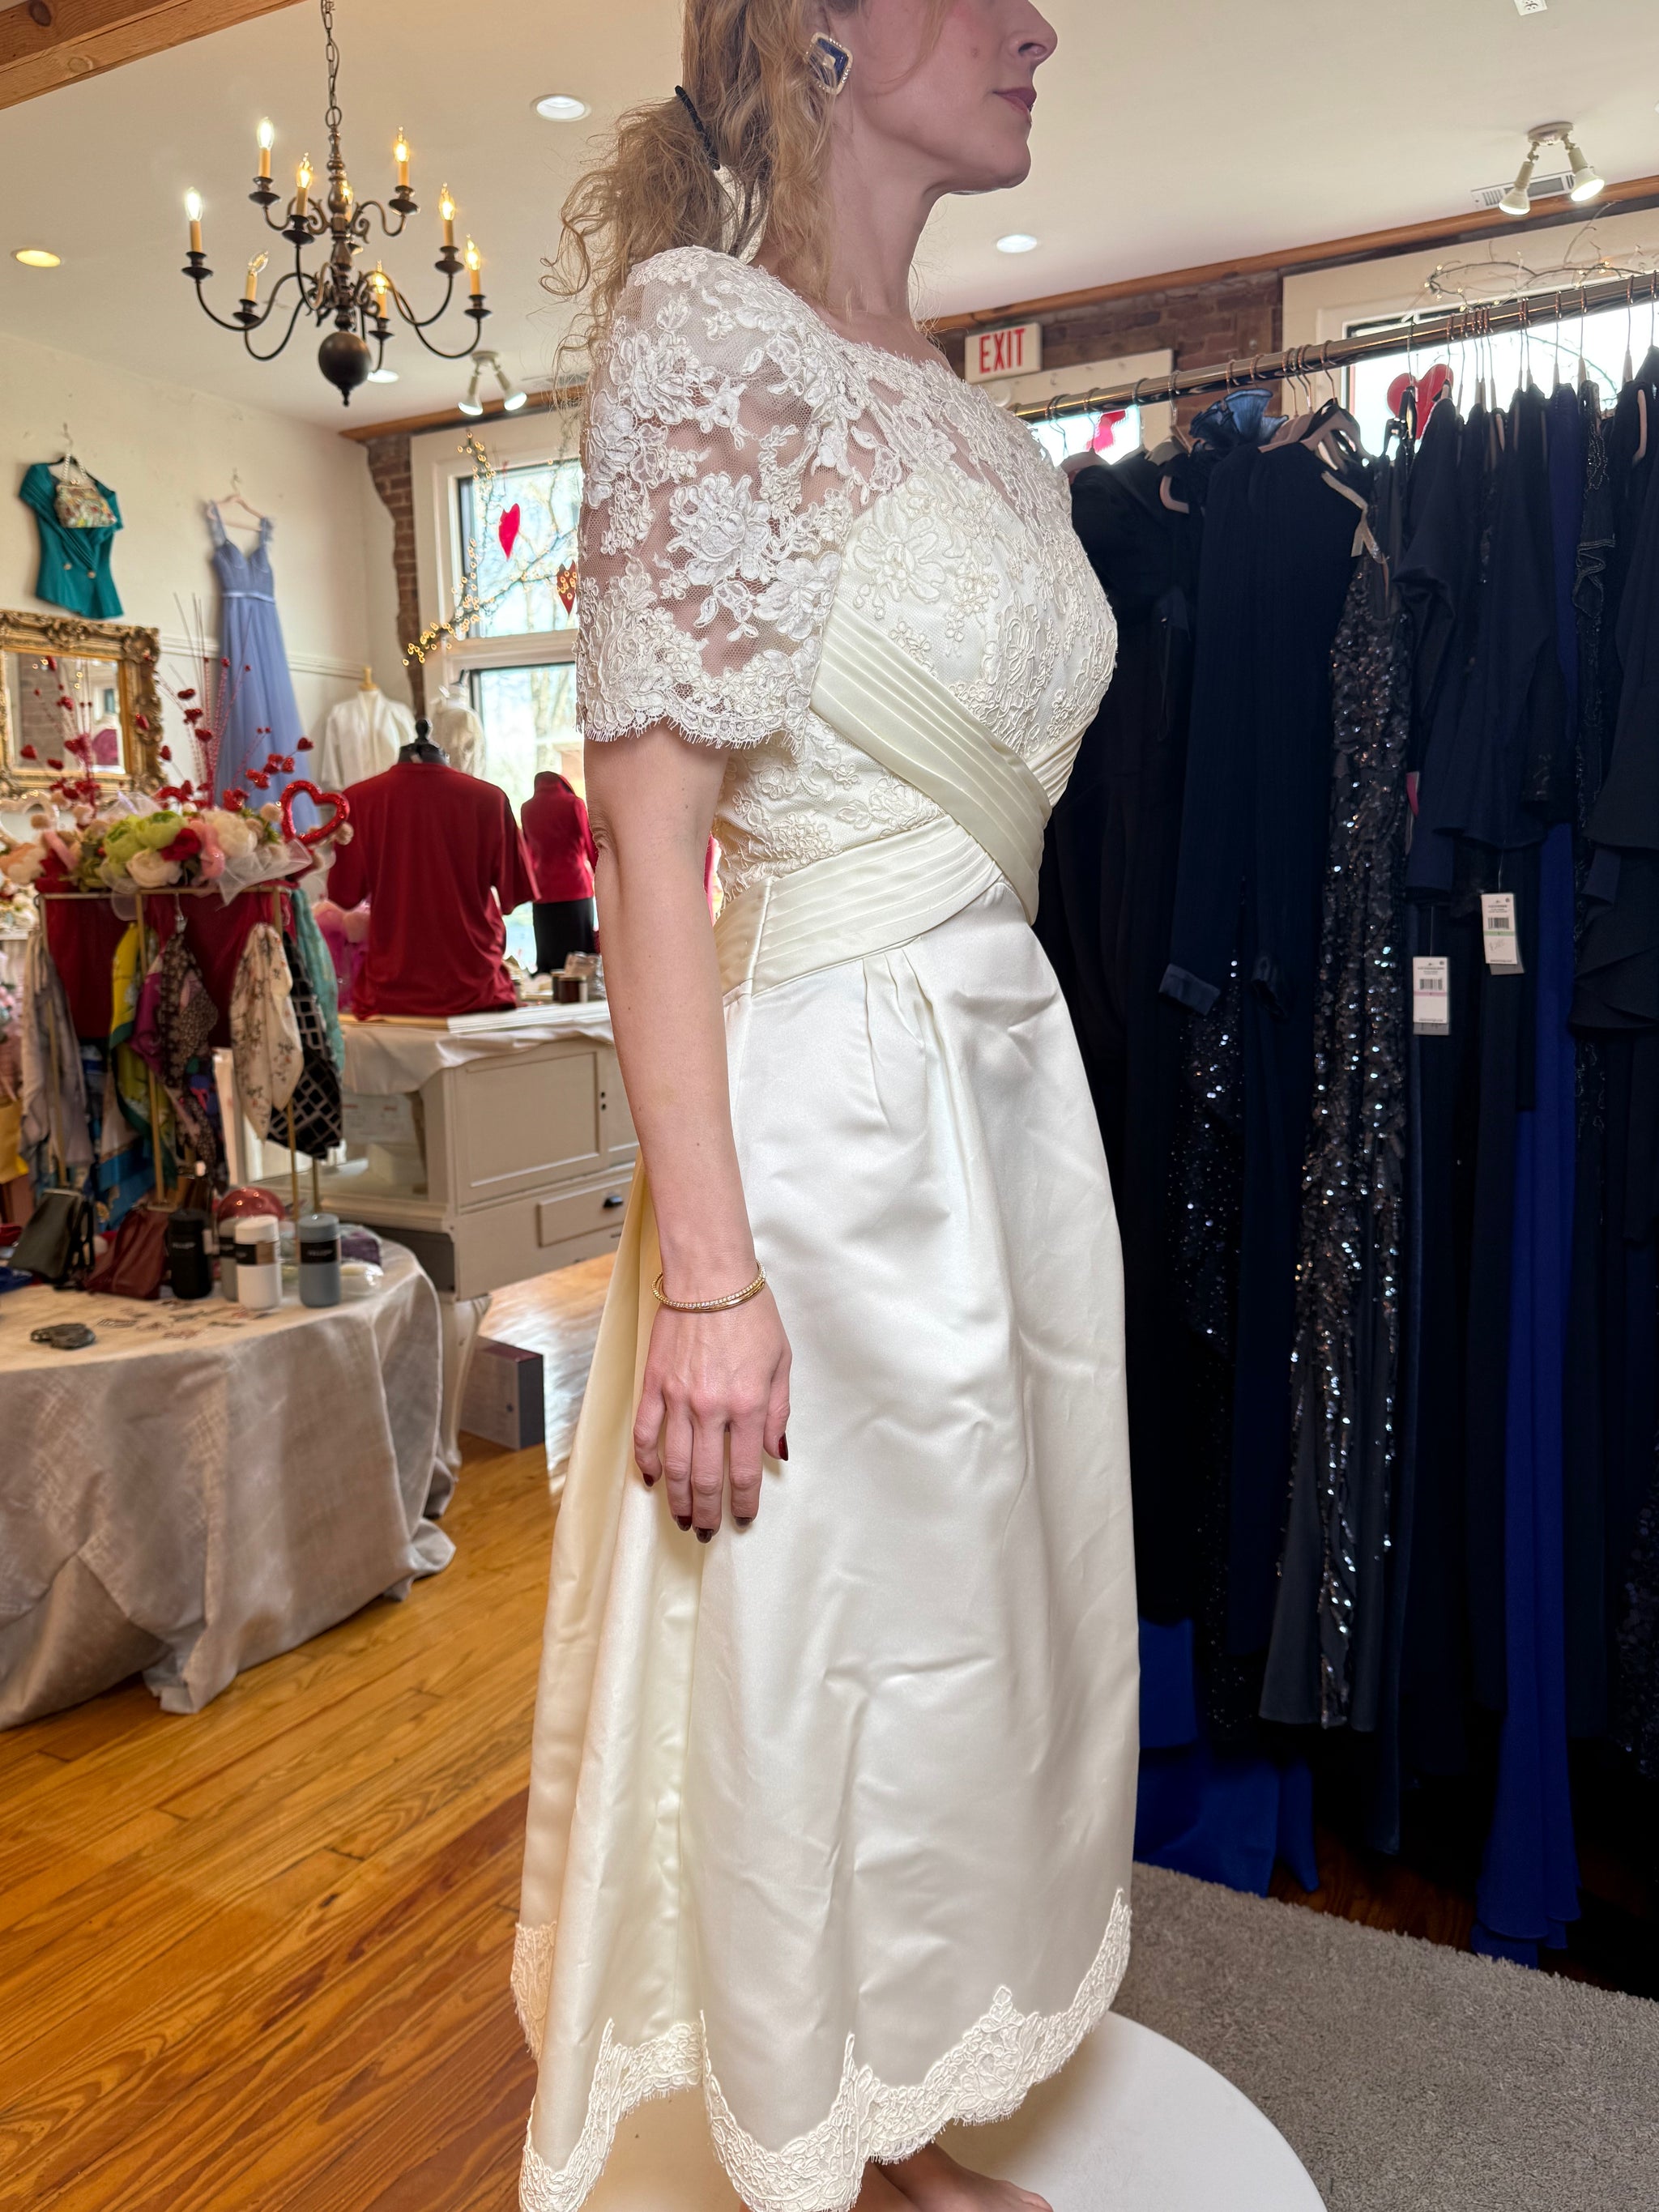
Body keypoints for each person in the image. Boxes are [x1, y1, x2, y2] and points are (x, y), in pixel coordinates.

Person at [514, 6, 1137, 2211]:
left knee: (968, 1657)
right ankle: (813, 2148)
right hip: (835, 1121)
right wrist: (706, 1277)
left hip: (999, 1112)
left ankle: (897, 2112)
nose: (1041, 23)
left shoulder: (984, 427)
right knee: (827, 1660)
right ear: (832, 37)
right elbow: (644, 832)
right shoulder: (708, 339)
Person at [521, 769, 600, 972]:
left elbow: (528, 853)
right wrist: (601, 877)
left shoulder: (527, 808)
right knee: (581, 961)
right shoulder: (574, 804)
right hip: (575, 889)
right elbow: (591, 847)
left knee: (550, 960)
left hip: (543, 893)